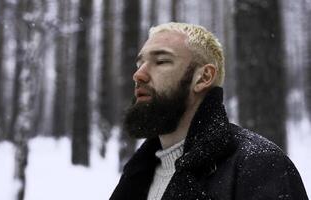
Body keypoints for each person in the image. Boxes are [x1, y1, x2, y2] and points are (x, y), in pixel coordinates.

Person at [109, 22, 308, 200]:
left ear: (204, 77)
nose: (138, 74)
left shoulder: (257, 166)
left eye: (161, 61)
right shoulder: (139, 174)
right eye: (139, 63)